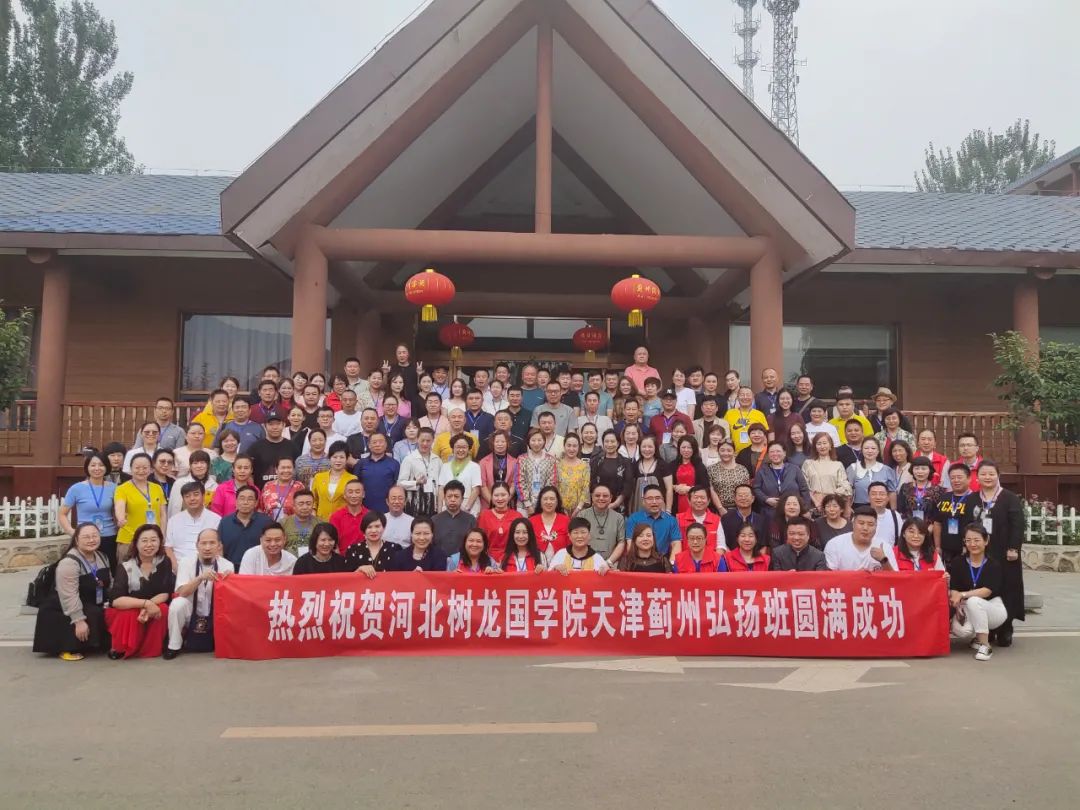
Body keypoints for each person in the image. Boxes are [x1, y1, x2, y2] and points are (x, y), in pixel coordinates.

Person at [962, 461, 1024, 646]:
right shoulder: (973, 498)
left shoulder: (1009, 498)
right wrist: (967, 546)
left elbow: (1018, 525)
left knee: (1007, 589)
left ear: (998, 475)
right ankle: (986, 629)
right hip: (980, 555)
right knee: (984, 589)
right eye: (983, 474)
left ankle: (1006, 628)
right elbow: (966, 524)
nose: (987, 477)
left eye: (991, 474)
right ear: (977, 477)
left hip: (1005, 554)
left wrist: (1014, 548)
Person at [32, 522, 111, 660]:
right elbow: (69, 595)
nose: (91, 540)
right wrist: (78, 620)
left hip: (90, 600)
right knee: (92, 614)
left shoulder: (102, 557)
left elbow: (109, 583)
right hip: (64, 606)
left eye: (95, 536)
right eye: (86, 537)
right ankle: (67, 647)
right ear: (76, 540)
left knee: (103, 613)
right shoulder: (69, 563)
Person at [103, 524, 175, 659]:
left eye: (154, 540)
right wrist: (145, 604)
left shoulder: (164, 561)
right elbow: (116, 601)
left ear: (160, 542)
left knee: (163, 609)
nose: (149, 544)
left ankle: (150, 649)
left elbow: (165, 592)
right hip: (127, 608)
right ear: (136, 543)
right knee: (129, 613)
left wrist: (149, 606)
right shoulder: (125, 566)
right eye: (144, 540)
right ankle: (119, 647)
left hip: (151, 605)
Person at [164, 529, 233, 659]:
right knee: (177, 604)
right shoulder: (186, 562)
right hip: (191, 610)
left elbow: (229, 599)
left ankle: (223, 642)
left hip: (215, 611)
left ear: (219, 546)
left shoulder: (227, 565)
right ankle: (173, 646)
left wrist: (230, 581)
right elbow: (182, 592)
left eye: (212, 543)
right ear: (197, 545)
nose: (207, 547)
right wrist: (200, 578)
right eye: (203, 543)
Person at [949, 524, 1008, 662]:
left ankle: (985, 646)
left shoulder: (994, 564)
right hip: (968, 607)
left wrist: (963, 595)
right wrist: (957, 604)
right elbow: (954, 588)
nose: (972, 544)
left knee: (974, 600)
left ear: (986, 541)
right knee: (961, 631)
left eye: (977, 540)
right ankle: (977, 637)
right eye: (968, 540)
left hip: (994, 609)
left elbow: (987, 591)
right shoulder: (958, 562)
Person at [61, 452, 119, 569]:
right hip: (85, 537)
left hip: (109, 536)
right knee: (86, 571)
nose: (97, 468)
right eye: (93, 465)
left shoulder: (114, 488)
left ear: (107, 467)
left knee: (110, 570)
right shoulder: (76, 488)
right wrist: (72, 532)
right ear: (87, 468)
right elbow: (62, 514)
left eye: (101, 465)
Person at [114, 453, 168, 563]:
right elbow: (119, 506)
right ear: (130, 469)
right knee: (127, 575)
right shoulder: (122, 489)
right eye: (137, 468)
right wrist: (120, 518)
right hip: (129, 539)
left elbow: (163, 514)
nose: (141, 471)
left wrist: (161, 535)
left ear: (151, 469)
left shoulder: (157, 488)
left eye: (145, 468)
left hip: (152, 541)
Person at [165, 481, 221, 565]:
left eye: (196, 494)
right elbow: (168, 548)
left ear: (203, 496)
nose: (192, 498)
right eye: (187, 496)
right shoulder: (173, 520)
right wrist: (176, 569)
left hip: (207, 568)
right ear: (183, 499)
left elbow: (219, 548)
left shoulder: (216, 519)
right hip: (179, 568)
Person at [753, 441, 811, 520]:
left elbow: (804, 490)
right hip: (770, 513)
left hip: (794, 513)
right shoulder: (762, 471)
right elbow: (756, 488)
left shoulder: (794, 469)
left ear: (784, 453)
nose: (775, 454)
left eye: (778, 451)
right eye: (772, 452)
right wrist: (766, 499)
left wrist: (805, 510)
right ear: (768, 455)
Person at [218, 486, 272, 570]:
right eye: (242, 499)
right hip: (231, 570)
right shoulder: (225, 522)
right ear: (236, 502)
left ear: (256, 503)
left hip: (258, 570)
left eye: (250, 499)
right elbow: (219, 548)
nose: (245, 502)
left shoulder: (266, 522)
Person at [824, 506, 893, 571]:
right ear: (853, 524)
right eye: (861, 523)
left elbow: (895, 579)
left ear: (876, 526)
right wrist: (857, 577)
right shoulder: (835, 545)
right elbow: (829, 578)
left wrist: (884, 561)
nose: (865, 528)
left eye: (870, 524)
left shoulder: (884, 547)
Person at [625, 485, 682, 561]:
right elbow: (630, 544)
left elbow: (676, 544)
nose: (654, 502)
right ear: (643, 501)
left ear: (663, 500)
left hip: (662, 561)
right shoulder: (633, 519)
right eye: (650, 498)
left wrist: (671, 565)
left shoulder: (671, 520)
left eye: (658, 498)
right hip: (639, 561)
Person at [931, 463, 973, 565]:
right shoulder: (944, 497)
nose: (956, 480)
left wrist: (969, 546)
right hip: (946, 549)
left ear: (969, 479)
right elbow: (937, 523)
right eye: (953, 478)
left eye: (959, 477)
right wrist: (937, 546)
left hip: (967, 549)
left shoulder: (975, 499)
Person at [802, 433, 852, 514]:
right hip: (813, 507)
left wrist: (828, 497)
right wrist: (817, 502)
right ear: (815, 446)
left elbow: (846, 487)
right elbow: (804, 486)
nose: (822, 446)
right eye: (819, 444)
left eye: (825, 443)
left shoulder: (838, 464)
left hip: (833, 506)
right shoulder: (808, 464)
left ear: (830, 446)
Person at [398, 427, 441, 517]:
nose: (425, 443)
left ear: (433, 441)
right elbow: (400, 483)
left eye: (428, 441)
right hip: (414, 504)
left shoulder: (437, 460)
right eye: (422, 440)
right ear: (417, 439)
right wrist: (416, 482)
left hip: (433, 504)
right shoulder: (409, 459)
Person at [578, 483, 626, 565]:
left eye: (605, 496)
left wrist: (609, 562)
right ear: (592, 497)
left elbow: (621, 542)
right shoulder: (583, 515)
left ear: (611, 498)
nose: (601, 498)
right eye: (597, 495)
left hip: (610, 564)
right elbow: (577, 540)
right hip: (585, 562)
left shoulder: (618, 518)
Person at [354, 433, 400, 513]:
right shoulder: (361, 463)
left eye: (381, 442)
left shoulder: (394, 463)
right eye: (374, 442)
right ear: (369, 445)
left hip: (387, 509)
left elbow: (397, 486)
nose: (378, 445)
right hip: (364, 509)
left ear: (386, 445)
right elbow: (355, 485)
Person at [437, 434, 482, 515]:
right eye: (458, 447)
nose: (461, 450)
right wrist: (440, 510)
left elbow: (476, 489)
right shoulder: (445, 466)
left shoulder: (474, 466)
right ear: (452, 449)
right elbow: (441, 489)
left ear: (469, 449)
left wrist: (466, 509)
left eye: (464, 447)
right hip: (447, 507)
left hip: (468, 508)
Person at [846, 437, 898, 508]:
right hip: (859, 508)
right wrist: (847, 508)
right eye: (866, 448)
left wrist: (893, 511)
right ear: (861, 450)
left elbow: (892, 492)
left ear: (878, 451)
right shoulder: (853, 468)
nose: (870, 451)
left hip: (882, 507)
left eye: (873, 448)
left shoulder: (886, 469)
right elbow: (847, 491)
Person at [311, 443, 357, 520]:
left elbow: (355, 503)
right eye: (335, 457)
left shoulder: (352, 479)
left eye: (342, 457)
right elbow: (313, 500)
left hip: (343, 521)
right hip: (321, 521)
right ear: (329, 458)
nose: (338, 460)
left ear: (346, 459)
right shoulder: (318, 477)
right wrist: (314, 515)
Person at [249, 414, 298, 487]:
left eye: (278, 424)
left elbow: (297, 471)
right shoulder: (255, 447)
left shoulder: (292, 446)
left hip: (288, 492)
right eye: (271, 424)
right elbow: (249, 473)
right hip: (263, 493)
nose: (275, 427)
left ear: (284, 425)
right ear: (265, 426)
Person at [432, 480, 477, 557]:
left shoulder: (471, 520)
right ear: (444, 499)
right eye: (449, 496)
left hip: (463, 563)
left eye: (456, 496)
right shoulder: (434, 520)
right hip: (439, 563)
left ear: (462, 499)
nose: (452, 500)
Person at [476, 482, 519, 562]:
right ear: (491, 497)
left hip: (511, 558)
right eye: (496, 495)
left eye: (503, 495)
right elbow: (479, 539)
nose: (500, 498)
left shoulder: (517, 516)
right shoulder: (484, 515)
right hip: (488, 559)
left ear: (509, 496)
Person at [344, 511, 396, 575]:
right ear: (364, 530)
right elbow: (346, 579)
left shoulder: (394, 548)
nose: (373, 531)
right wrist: (359, 569)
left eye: (377, 526)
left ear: (384, 528)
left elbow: (401, 576)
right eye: (369, 527)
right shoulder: (353, 550)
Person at [168, 450, 218, 516]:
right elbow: (173, 509)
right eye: (195, 463)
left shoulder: (215, 486)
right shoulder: (180, 483)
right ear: (190, 466)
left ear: (208, 465)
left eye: (202, 462)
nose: (199, 466)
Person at [719, 483, 767, 550]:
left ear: (753, 499)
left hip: (755, 558)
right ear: (735, 499)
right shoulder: (726, 519)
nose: (743, 498)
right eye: (740, 495)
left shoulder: (761, 520)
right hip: (731, 558)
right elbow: (723, 544)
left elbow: (764, 545)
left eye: (746, 495)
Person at [707, 440, 749, 513]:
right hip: (718, 510)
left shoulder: (742, 469)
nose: (726, 453)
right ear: (718, 451)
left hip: (740, 509)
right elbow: (711, 490)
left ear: (734, 452)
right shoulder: (711, 469)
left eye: (729, 450)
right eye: (722, 450)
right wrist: (720, 508)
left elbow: (747, 489)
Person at [329, 480, 369, 555]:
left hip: (367, 560)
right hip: (343, 560)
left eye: (357, 492)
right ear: (344, 495)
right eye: (350, 492)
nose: (353, 496)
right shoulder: (336, 516)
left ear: (363, 494)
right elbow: (333, 542)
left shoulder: (370, 516)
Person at [530, 486, 570, 561]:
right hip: (537, 566)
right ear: (540, 501)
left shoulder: (565, 520)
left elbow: (570, 545)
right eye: (545, 499)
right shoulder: (531, 521)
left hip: (561, 565)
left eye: (552, 499)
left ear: (557, 501)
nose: (548, 502)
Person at [724, 386, 769, 454]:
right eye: (742, 395)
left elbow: (765, 436)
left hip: (756, 454)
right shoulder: (729, 413)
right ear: (737, 398)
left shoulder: (759, 414)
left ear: (753, 398)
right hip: (735, 454)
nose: (745, 397)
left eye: (748, 395)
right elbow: (725, 435)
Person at [259, 456, 304, 521]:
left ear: (294, 469)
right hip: (270, 527)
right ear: (276, 470)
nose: (286, 470)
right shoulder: (268, 486)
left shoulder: (299, 486)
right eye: (283, 468)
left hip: (292, 527)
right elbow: (261, 508)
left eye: (289, 467)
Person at [282, 489, 319, 556]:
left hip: (313, 563)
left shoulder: (320, 523)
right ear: (294, 505)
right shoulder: (283, 523)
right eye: (301, 504)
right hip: (290, 562)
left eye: (308, 504)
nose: (305, 507)